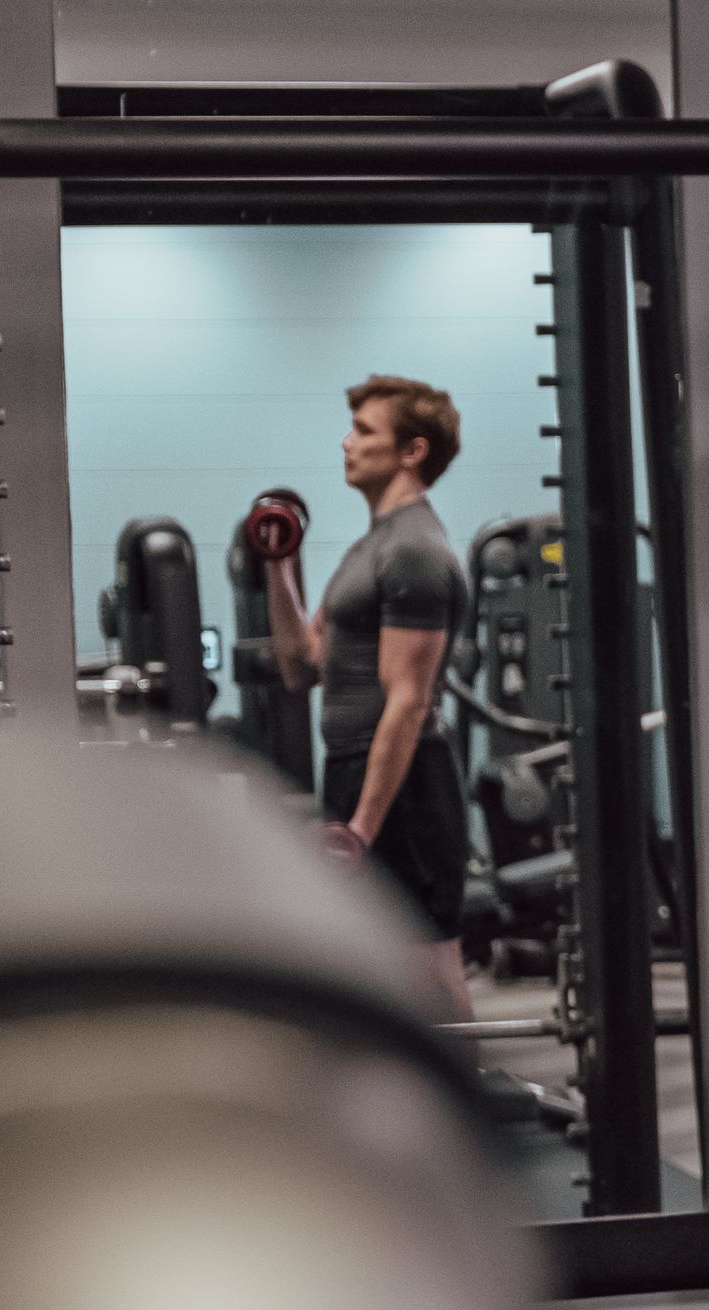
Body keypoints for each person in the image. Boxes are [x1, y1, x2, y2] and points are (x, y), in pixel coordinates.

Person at [266, 374, 477, 1019]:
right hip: (357, 767)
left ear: (411, 451)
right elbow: (302, 666)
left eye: (363, 431)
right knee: (385, 966)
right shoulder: (372, 546)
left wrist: (362, 825)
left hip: (402, 781)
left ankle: (473, 1111)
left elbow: (409, 700)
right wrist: (277, 563)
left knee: (427, 968)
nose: (346, 442)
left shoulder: (413, 549)